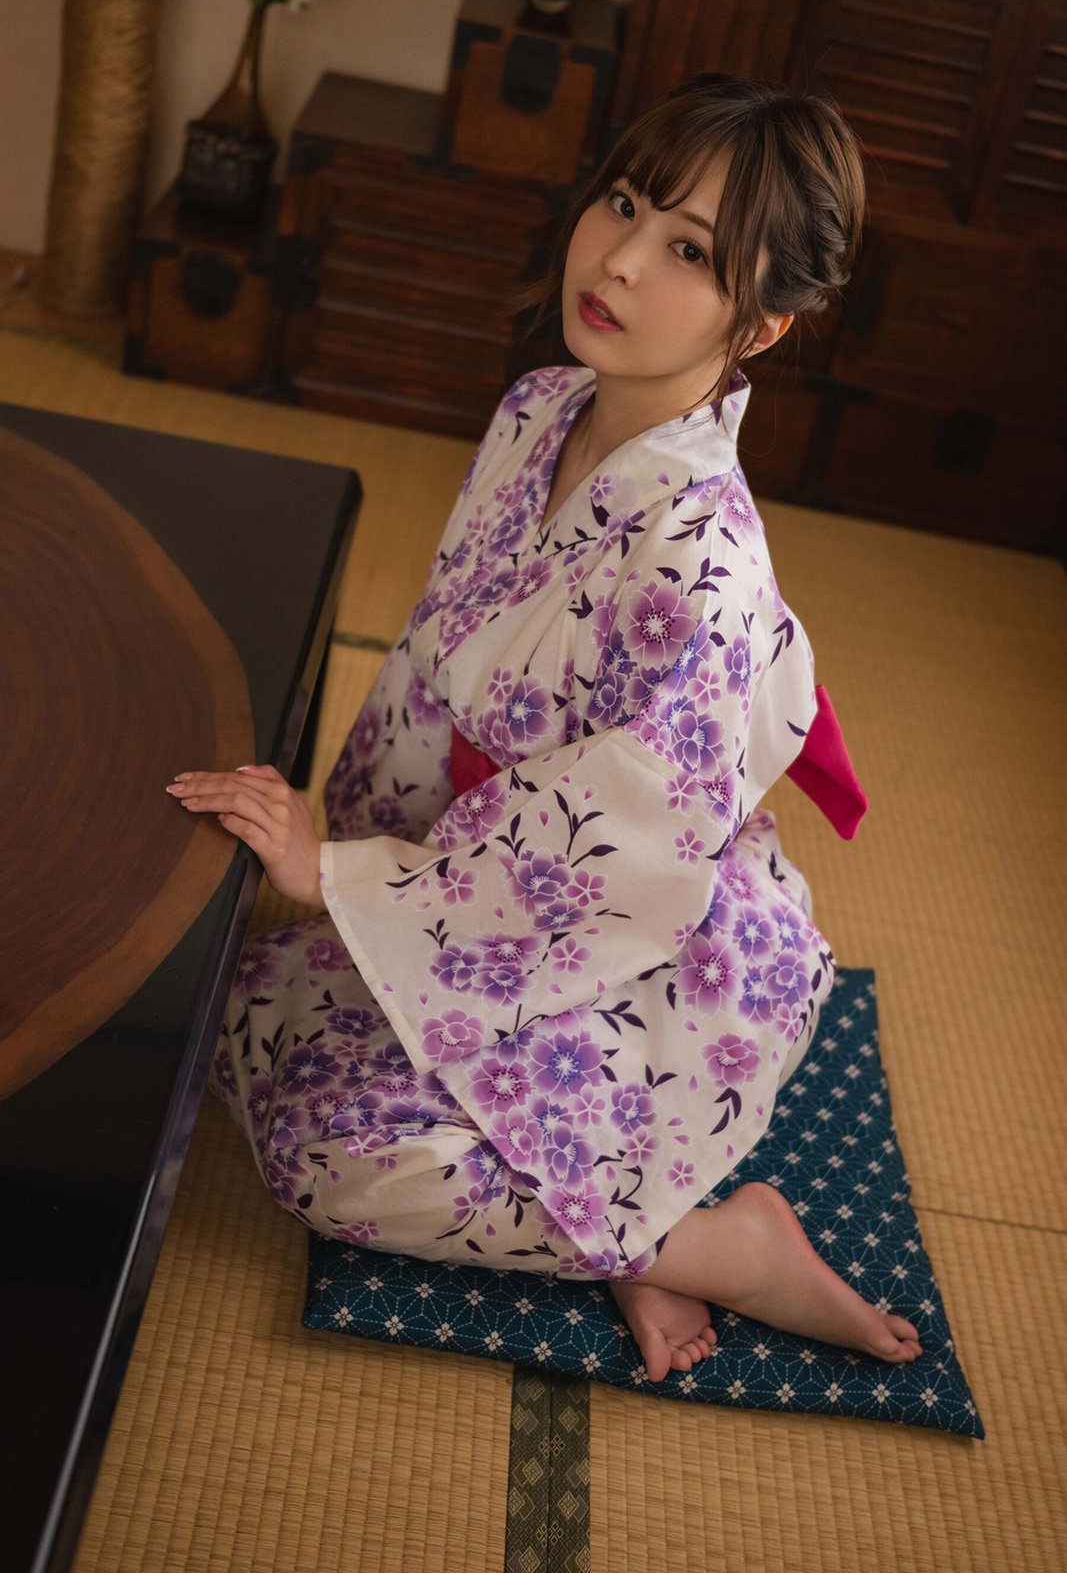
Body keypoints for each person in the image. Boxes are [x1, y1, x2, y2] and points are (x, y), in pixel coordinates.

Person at [168, 74, 922, 1382]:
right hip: (482, 878)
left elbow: (620, 856)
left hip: (643, 947)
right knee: (230, 1003)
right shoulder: (541, 408)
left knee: (331, 1157)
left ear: (764, 323)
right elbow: (433, 668)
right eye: (624, 203)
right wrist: (347, 864)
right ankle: (616, 1220)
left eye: (689, 252)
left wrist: (346, 877)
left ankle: (715, 1246)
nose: (619, 260)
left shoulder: (695, 564)